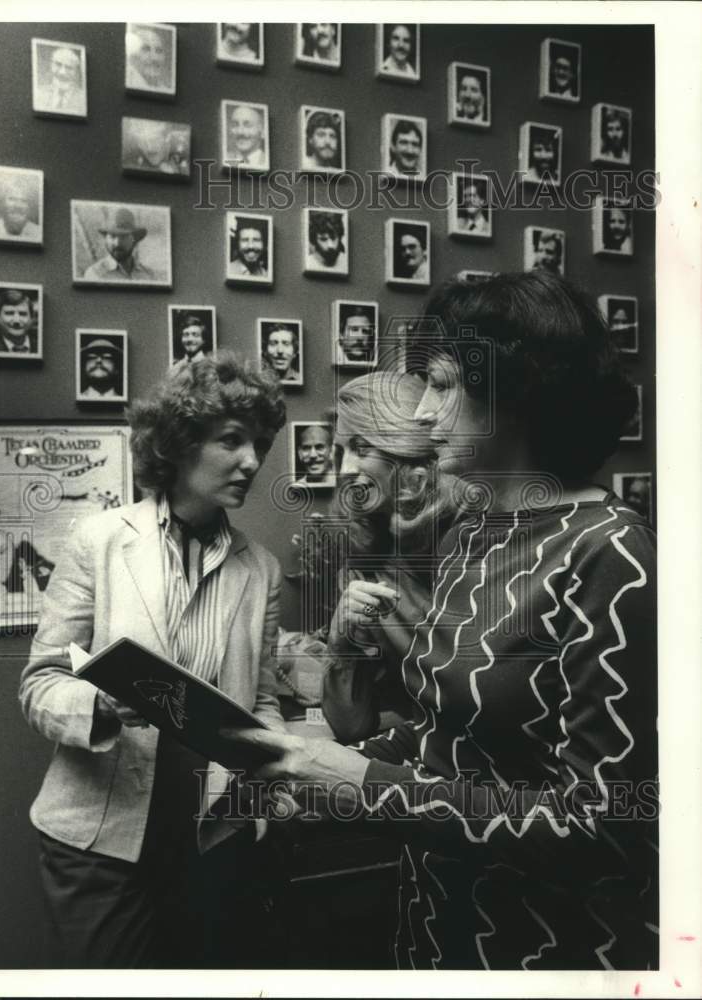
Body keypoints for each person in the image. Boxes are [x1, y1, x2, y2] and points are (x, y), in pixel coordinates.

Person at [228, 270, 657, 971]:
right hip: (436, 926)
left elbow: (602, 830)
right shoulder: (477, 533)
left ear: (518, 392)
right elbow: (450, 740)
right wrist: (310, 764)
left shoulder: (610, 551)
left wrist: (365, 785)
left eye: (443, 383)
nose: (423, 415)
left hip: (546, 954)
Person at [20, 353, 288, 969]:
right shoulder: (99, 540)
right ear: (180, 441)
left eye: (261, 444)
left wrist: (266, 792)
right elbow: (40, 684)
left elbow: (264, 700)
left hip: (211, 833)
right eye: (232, 440)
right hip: (98, 838)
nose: (251, 461)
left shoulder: (262, 569)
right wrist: (99, 704)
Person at [321, 372, 438, 742]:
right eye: (340, 452)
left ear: (406, 448)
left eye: (361, 447)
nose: (344, 470)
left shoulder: (477, 541)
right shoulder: (363, 566)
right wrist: (341, 638)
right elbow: (350, 726)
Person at [83, 208, 156, 282]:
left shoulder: (148, 275)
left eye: (124, 236)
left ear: (134, 239)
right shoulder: (95, 275)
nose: (117, 243)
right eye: (112, 236)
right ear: (106, 239)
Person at [35, 44, 84, 114]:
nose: (62, 72)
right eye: (58, 64)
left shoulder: (83, 98)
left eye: (69, 67)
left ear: (76, 72)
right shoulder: (38, 92)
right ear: (51, 65)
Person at [0, 288, 38, 355]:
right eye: (9, 313)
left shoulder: (40, 346)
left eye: (23, 314)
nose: (16, 321)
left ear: (32, 319)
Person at [126, 24, 170, 90]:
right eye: (146, 49)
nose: (154, 58)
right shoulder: (129, 82)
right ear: (132, 55)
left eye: (159, 51)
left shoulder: (165, 89)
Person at [226, 104, 267, 169]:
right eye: (235, 125)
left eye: (248, 125)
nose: (240, 132)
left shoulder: (266, 161)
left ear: (263, 132)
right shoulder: (225, 159)